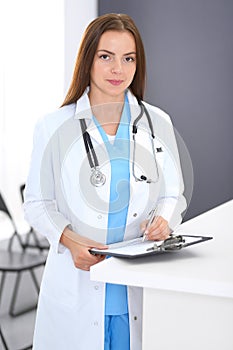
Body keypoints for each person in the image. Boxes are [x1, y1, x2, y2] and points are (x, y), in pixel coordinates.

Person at [24, 13, 186, 350]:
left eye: (128, 59)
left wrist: (164, 220)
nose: (118, 69)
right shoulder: (53, 126)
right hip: (78, 286)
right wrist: (68, 239)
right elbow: (38, 204)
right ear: (88, 60)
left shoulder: (158, 122)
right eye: (106, 57)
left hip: (135, 292)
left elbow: (173, 193)